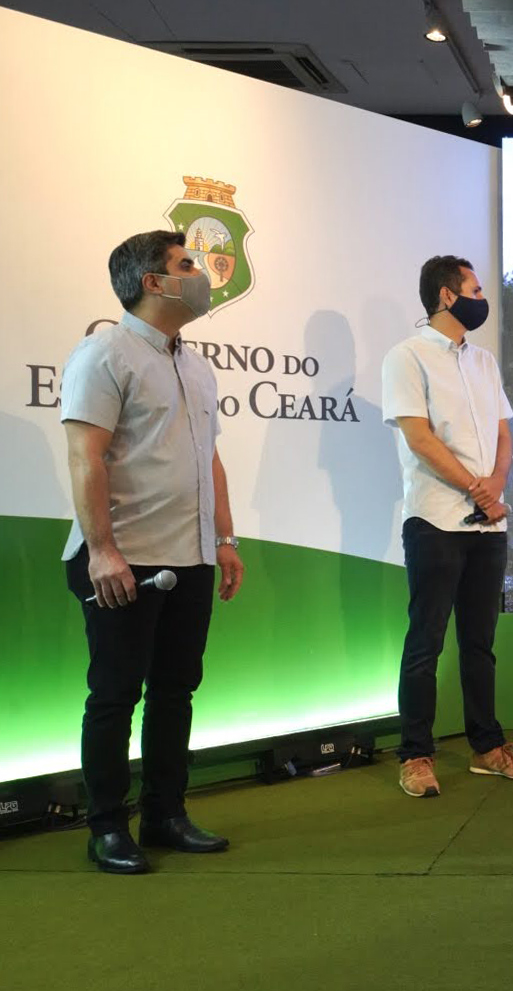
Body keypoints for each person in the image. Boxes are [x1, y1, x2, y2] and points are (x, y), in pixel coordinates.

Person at [61, 230, 244, 874]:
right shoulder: (104, 352)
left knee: (176, 690)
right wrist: (102, 552)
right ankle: (106, 827)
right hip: (123, 557)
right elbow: (85, 457)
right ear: (151, 281)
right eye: (186, 264)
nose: (201, 273)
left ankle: (165, 813)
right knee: (114, 695)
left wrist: (223, 540)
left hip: (190, 555)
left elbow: (209, 459)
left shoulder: (196, 364)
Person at [381, 255, 513, 799]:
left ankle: (487, 748)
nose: (480, 296)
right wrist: (478, 490)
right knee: (425, 643)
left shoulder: (483, 361)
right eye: (473, 287)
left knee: (480, 643)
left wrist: (496, 484)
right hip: (436, 520)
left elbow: (502, 434)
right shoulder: (406, 356)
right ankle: (416, 755)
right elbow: (419, 439)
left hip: (488, 526)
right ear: (447, 296)